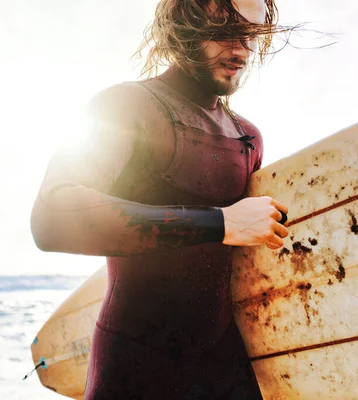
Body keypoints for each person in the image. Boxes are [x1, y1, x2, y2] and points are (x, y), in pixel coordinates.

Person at [30, 0, 289, 398]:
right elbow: (53, 218)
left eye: (251, 35)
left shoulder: (247, 137)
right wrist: (221, 224)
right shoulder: (126, 108)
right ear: (185, 23)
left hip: (223, 364)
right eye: (224, 29)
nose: (240, 50)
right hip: (135, 369)